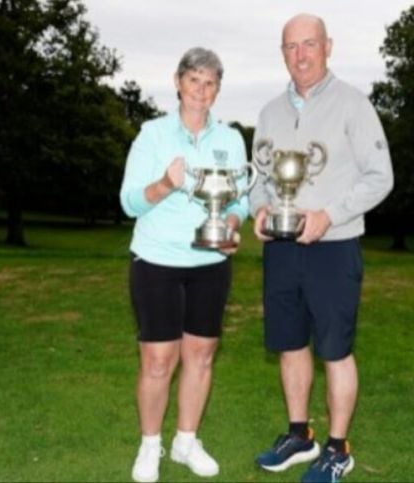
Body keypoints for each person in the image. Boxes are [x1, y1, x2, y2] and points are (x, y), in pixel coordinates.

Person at [249, 13, 394, 483]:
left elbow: (380, 177)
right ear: (283, 53)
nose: (301, 54)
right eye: (291, 46)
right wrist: (258, 212)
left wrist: (329, 214)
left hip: (334, 246)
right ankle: (300, 436)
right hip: (282, 250)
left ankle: (337, 448)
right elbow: (258, 180)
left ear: (327, 46)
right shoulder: (270, 111)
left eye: (309, 44)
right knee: (290, 346)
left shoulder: (353, 104)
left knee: (334, 350)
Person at [119, 47, 250, 483]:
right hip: (156, 260)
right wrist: (164, 185)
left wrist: (232, 221)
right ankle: (150, 446)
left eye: (210, 82)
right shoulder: (152, 135)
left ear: (217, 90)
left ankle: (186, 440)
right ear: (178, 82)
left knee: (201, 355)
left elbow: (242, 197)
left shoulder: (230, 139)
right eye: (194, 79)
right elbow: (129, 201)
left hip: (211, 261)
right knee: (159, 360)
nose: (201, 90)